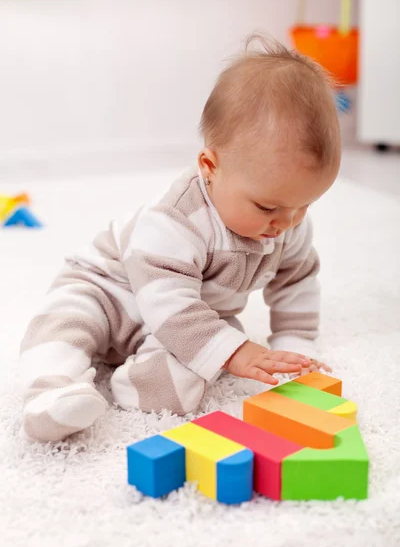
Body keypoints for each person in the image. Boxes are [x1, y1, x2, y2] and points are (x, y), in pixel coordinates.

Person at [19, 35, 340, 442]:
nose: (285, 223)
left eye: (304, 206)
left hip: (190, 317)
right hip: (112, 291)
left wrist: (295, 344)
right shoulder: (174, 219)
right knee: (62, 324)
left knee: (195, 371)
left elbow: (296, 279)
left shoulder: (288, 222)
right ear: (210, 165)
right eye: (267, 208)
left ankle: (135, 383)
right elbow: (165, 300)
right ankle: (51, 394)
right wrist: (237, 351)